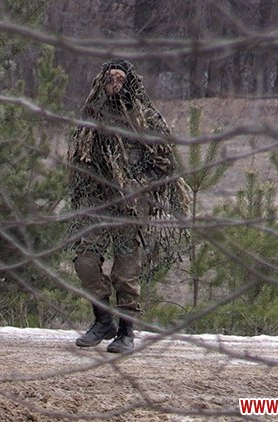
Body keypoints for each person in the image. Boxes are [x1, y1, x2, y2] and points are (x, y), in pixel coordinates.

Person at [67, 59, 190, 353]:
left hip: (132, 206)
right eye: (111, 80)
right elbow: (79, 160)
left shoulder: (146, 119)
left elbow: (166, 164)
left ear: (130, 83)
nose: (115, 85)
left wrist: (139, 186)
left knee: (126, 272)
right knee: (85, 262)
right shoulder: (92, 118)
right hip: (97, 202)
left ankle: (126, 331)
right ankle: (102, 320)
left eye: (121, 80)